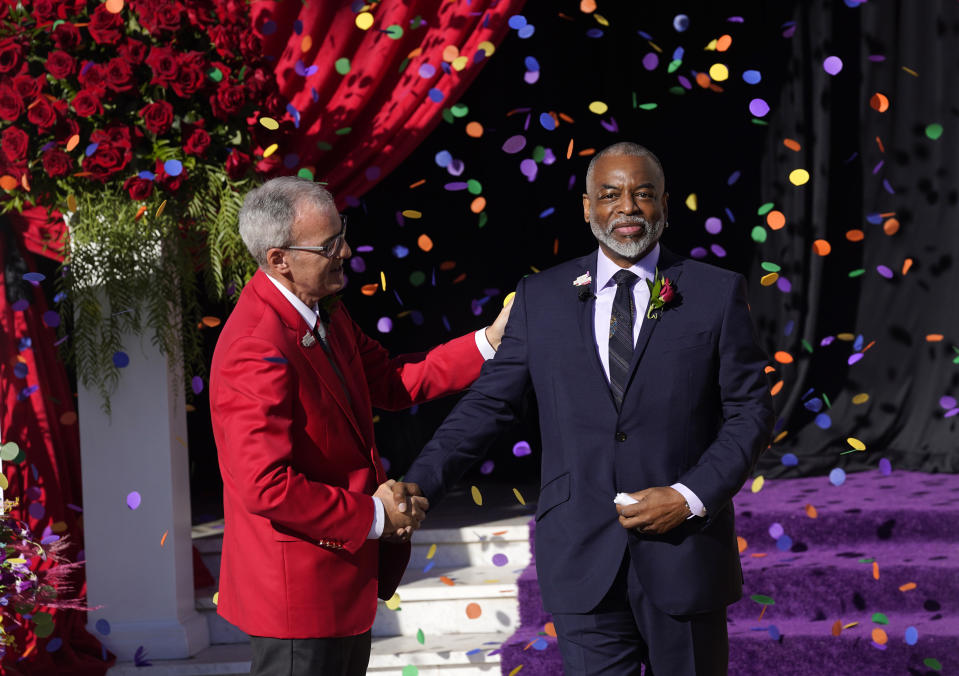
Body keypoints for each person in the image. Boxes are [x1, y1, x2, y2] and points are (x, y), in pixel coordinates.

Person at [404, 142, 775, 675]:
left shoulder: (715, 293)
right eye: (611, 194)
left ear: (665, 205)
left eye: (643, 194)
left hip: (685, 552)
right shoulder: (540, 296)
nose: (628, 207)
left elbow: (751, 413)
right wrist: (419, 484)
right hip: (580, 555)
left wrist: (689, 496)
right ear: (586, 207)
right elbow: (487, 406)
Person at [209, 176, 511, 676]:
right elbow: (264, 486)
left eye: (341, 233)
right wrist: (373, 517)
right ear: (278, 259)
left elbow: (392, 381)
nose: (346, 250)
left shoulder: (324, 311)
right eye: (329, 245)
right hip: (298, 595)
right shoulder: (255, 343)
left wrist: (490, 340)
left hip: (342, 580)